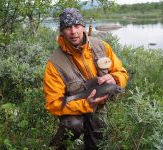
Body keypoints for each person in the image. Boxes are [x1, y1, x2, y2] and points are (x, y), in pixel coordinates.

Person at [43, 8, 128, 150]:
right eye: (68, 27)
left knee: (98, 143)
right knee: (73, 125)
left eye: (77, 26)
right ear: (62, 31)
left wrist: (115, 78)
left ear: (83, 26)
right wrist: (86, 104)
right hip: (73, 110)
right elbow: (53, 104)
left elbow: (122, 72)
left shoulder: (101, 46)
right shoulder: (54, 64)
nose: (73, 31)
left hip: (99, 108)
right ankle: (58, 146)